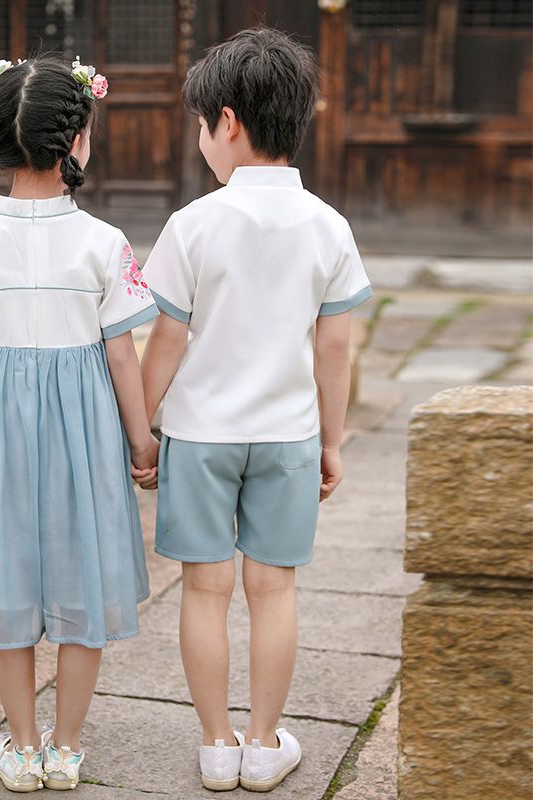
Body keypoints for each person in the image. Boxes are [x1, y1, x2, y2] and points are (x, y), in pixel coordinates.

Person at [136, 27, 373, 792]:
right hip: (288, 434)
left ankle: (215, 743)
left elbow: (164, 341)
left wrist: (142, 434)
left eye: (203, 126)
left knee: (205, 590)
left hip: (200, 436)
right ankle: (266, 744)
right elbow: (334, 349)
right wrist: (332, 442)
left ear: (227, 121)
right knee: (274, 591)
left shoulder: (192, 225)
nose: (204, 140)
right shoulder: (329, 226)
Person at [0, 54, 159, 793]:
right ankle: (68, 747)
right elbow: (122, 356)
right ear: (78, 138)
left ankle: (21, 749)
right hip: (85, 428)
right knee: (84, 577)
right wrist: (142, 439)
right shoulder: (104, 243)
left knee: (9, 577)